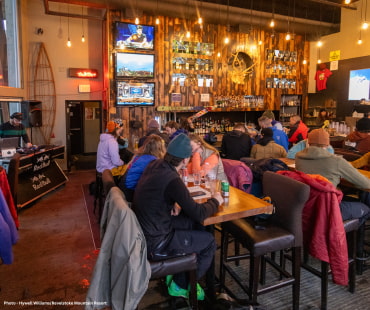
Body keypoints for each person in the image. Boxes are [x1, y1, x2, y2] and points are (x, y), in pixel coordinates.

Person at [132, 133, 224, 300]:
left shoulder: (155, 165)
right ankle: (180, 284)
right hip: (156, 243)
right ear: (185, 160)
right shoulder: (172, 179)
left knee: (192, 224)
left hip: (145, 231)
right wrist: (216, 201)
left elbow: (157, 193)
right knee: (209, 242)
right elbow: (200, 213)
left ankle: (180, 270)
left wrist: (172, 203)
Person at [295, 128, 370, 225]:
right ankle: (345, 236)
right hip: (329, 209)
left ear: (308, 142)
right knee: (366, 208)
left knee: (353, 199)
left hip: (307, 205)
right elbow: (366, 184)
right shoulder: (336, 161)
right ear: (327, 143)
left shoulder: (298, 157)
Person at [119, 134, 166, 202]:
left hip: (123, 189)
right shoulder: (153, 161)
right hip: (130, 194)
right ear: (160, 148)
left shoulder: (139, 157)